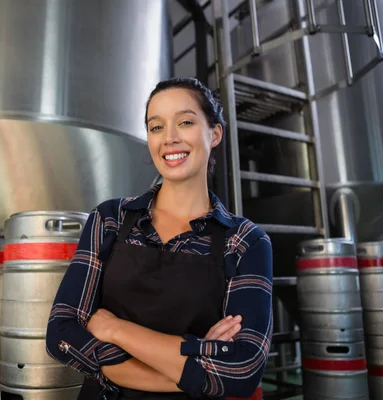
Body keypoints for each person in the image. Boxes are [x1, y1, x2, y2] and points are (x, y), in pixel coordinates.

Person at [46, 77, 272, 400]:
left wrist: (115, 330)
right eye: (156, 127)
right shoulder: (111, 219)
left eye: (185, 122)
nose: (170, 139)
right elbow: (61, 334)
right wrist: (197, 362)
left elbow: (243, 368)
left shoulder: (245, 242)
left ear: (215, 133)